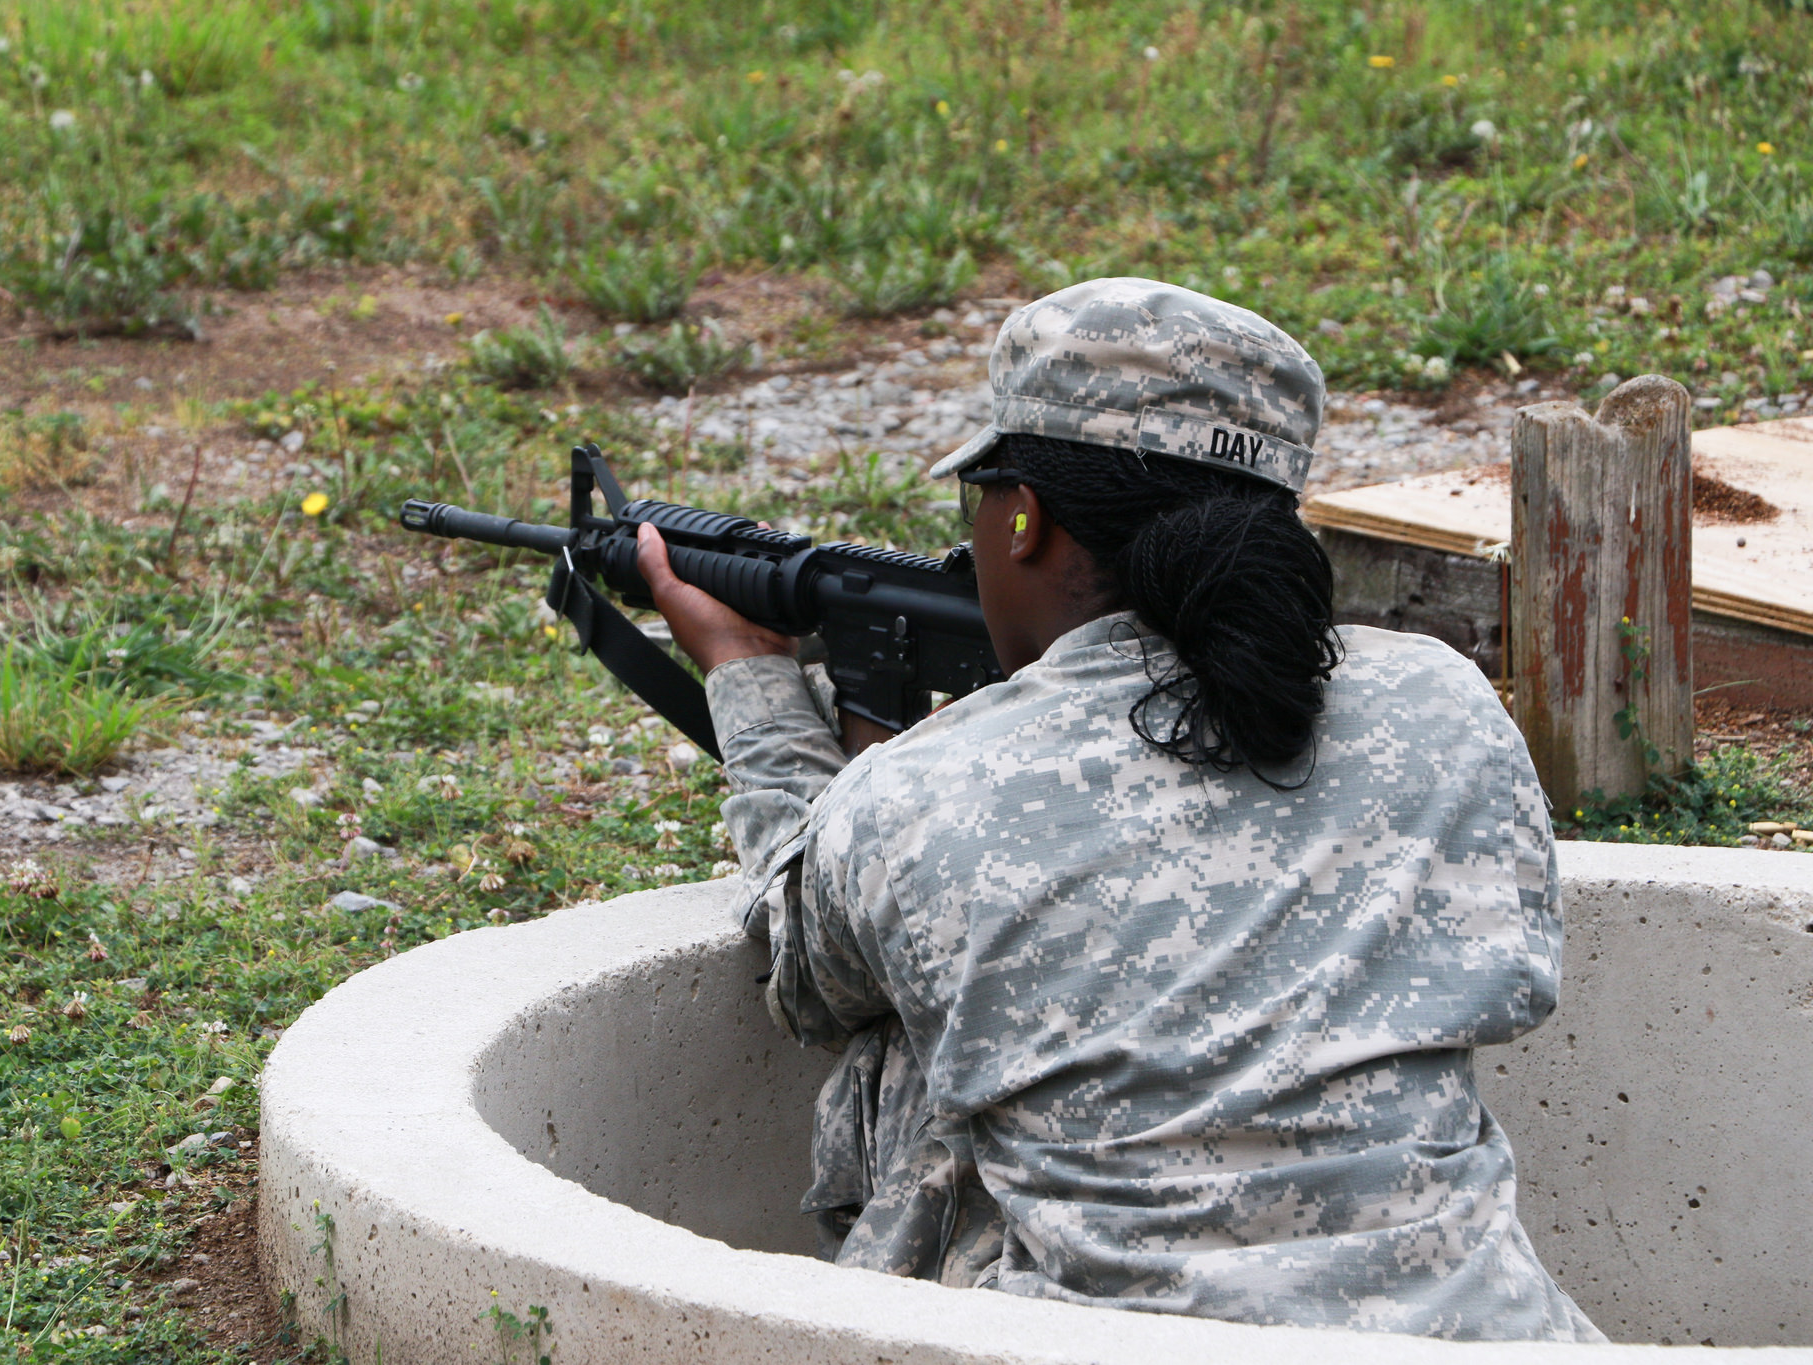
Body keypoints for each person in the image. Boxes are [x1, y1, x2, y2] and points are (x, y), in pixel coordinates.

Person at [633, 278, 1602, 1342]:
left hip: (1108, 1346)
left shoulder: (921, 792)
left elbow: (804, 972)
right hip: (1492, 1340)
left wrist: (750, 675)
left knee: (902, 1045)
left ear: (1022, 519)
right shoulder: (1443, 704)